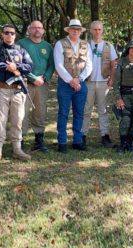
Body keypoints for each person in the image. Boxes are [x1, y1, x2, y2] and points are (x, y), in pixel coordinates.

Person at [0, 24, 33, 163]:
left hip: (18, 90)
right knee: (0, 120)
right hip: (2, 89)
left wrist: (17, 67)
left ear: (15, 35)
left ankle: (17, 149)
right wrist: (7, 67)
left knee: (17, 120)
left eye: (12, 33)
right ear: (2, 34)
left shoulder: (22, 51)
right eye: (6, 33)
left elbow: (29, 66)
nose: (9, 35)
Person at [53, 19, 93, 153]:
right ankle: (62, 142)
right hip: (65, 84)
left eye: (78, 29)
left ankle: (77, 141)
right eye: (73, 29)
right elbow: (58, 65)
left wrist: (79, 79)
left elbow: (89, 65)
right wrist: (71, 81)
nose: (75, 31)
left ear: (80, 31)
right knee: (63, 113)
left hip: (81, 84)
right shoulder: (60, 44)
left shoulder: (86, 45)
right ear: (69, 30)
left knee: (79, 113)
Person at [17, 20, 55, 152]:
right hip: (25, 83)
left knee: (40, 112)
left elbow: (51, 65)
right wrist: (32, 78)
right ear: (29, 30)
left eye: (39, 28)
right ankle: (19, 141)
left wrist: (45, 78)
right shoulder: (21, 44)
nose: (37, 30)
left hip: (42, 84)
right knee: (22, 111)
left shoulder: (48, 46)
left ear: (43, 31)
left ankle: (39, 140)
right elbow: (17, 63)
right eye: (34, 28)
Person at [82, 20, 118, 149]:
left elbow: (114, 65)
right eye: (94, 29)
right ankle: (82, 135)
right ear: (90, 30)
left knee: (103, 110)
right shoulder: (85, 45)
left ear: (102, 31)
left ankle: (105, 136)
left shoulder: (108, 46)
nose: (97, 32)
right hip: (88, 82)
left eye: (99, 29)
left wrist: (112, 79)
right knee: (86, 110)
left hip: (103, 82)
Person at [111, 40, 133, 153]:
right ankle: (122, 143)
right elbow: (115, 83)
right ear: (128, 49)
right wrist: (118, 98)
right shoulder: (121, 63)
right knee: (125, 120)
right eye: (132, 48)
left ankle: (129, 143)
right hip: (125, 95)